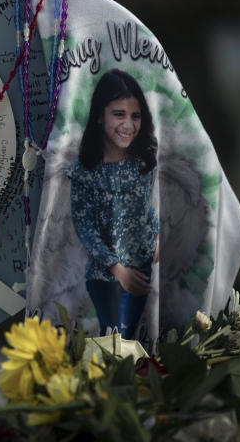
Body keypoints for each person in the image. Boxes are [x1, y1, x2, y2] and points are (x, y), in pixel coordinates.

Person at [66, 69, 160, 339]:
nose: (128, 125)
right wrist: (118, 270)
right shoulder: (84, 172)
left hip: (141, 267)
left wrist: (157, 238)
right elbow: (85, 227)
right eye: (119, 114)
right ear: (99, 116)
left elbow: (146, 209)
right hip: (106, 275)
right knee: (112, 337)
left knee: (132, 336)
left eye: (135, 116)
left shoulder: (143, 164)